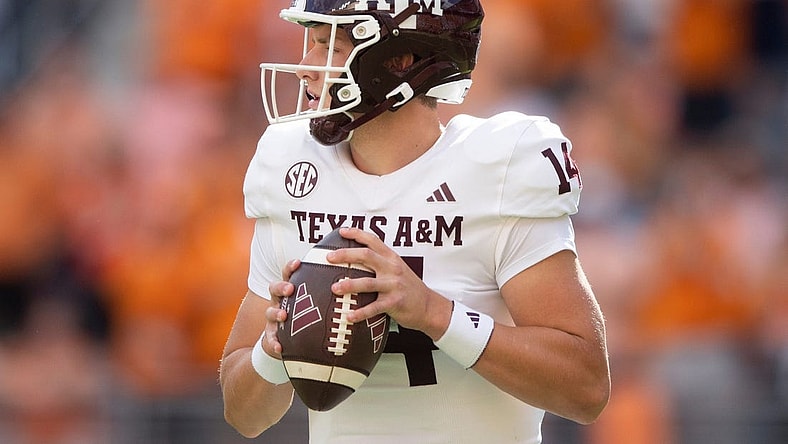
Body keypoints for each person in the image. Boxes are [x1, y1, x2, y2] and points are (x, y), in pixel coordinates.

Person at [219, 1, 610, 442]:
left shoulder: (496, 170)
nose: (307, 68)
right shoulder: (293, 169)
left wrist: (434, 313)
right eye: (310, 44)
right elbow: (243, 414)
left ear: (399, 60)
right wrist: (273, 352)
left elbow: (586, 388)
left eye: (329, 46)